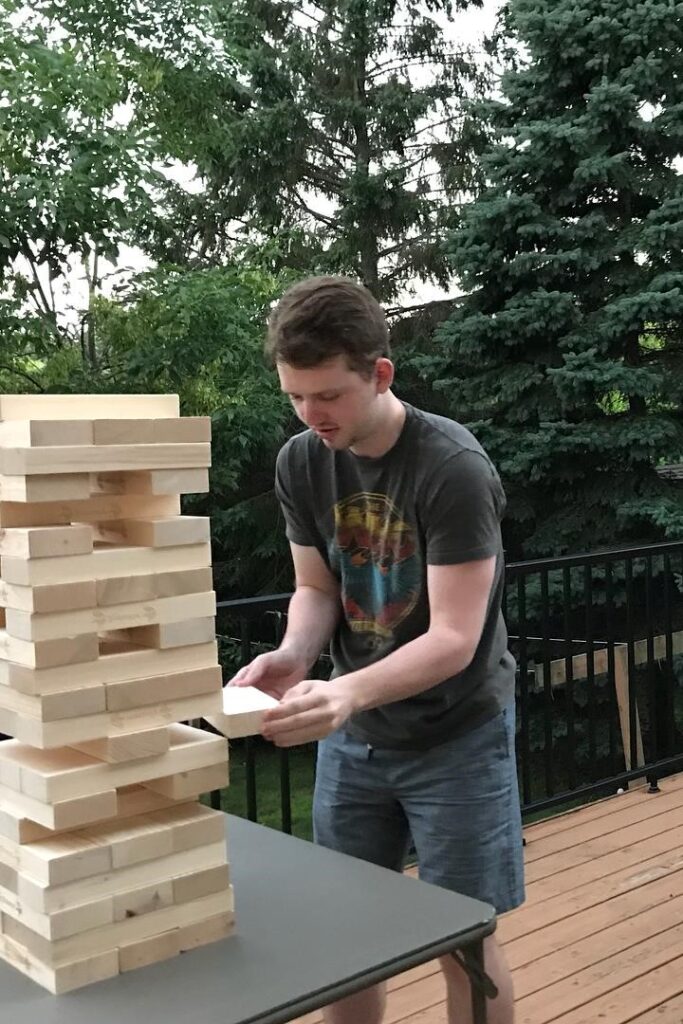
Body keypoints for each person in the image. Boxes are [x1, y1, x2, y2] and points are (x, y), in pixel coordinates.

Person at [230, 275, 524, 1024]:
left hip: (456, 737)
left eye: (326, 394)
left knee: (464, 944)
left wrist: (347, 692)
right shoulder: (301, 460)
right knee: (347, 939)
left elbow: (455, 639)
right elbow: (316, 589)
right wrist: (297, 656)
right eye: (294, 395)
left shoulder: (451, 466)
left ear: (379, 373)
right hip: (355, 739)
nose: (309, 414)